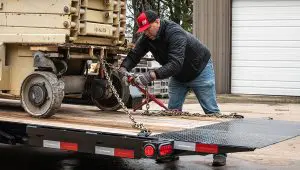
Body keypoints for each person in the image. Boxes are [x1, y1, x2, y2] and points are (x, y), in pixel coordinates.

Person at [119, 10, 226, 166]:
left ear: (157, 22)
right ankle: (170, 152)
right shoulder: (147, 38)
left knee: (211, 112)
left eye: (149, 28)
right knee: (172, 113)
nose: (146, 33)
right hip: (178, 74)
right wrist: (123, 68)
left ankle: (220, 152)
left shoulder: (174, 32)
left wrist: (150, 76)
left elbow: (175, 64)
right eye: (144, 30)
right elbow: (134, 55)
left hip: (200, 70)